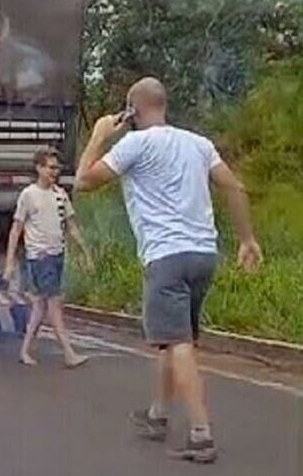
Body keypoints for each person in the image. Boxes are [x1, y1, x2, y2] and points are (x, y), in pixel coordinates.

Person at [75, 77, 263, 464]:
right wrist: (247, 239)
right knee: (175, 337)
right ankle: (158, 414)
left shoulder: (134, 144)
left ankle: (201, 434)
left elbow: (83, 182)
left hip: (166, 257)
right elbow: (235, 187)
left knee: (177, 345)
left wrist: (97, 136)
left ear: (132, 111)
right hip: (203, 255)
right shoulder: (199, 144)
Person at [4, 147, 94, 368]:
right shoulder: (29, 195)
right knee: (54, 305)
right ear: (39, 168)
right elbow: (17, 229)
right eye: (51, 167)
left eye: (57, 168)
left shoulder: (60, 195)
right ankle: (69, 353)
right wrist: (10, 262)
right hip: (40, 257)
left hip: (57, 255)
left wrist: (85, 252)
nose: (55, 172)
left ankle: (25, 351)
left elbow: (71, 225)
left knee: (39, 307)